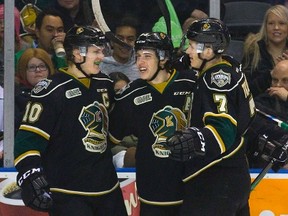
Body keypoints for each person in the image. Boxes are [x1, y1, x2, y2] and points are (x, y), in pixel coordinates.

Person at [14, 26, 127, 216]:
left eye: (102, 50)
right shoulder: (51, 91)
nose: (101, 56)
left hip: (108, 189)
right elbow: (27, 140)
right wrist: (30, 174)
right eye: (95, 51)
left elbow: (113, 131)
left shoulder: (105, 85)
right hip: (67, 193)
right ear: (77, 54)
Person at [165, 18, 254, 215]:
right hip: (234, 175)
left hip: (215, 180)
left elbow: (224, 129)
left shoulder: (216, 79)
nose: (188, 51)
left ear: (208, 50)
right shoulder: (230, 67)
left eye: (192, 45)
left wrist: (197, 140)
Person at [109, 31, 198, 215]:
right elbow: (110, 137)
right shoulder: (130, 95)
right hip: (152, 190)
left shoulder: (190, 83)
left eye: (147, 57)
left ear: (163, 58)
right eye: (138, 56)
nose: (140, 63)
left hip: (191, 186)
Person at [242, 4, 288, 97]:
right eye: (271, 23)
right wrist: (272, 73)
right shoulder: (253, 51)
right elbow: (246, 91)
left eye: (281, 23)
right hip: (261, 107)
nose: (276, 28)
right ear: (265, 26)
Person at [15, 48, 55, 131]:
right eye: (32, 67)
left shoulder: (59, 93)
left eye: (42, 66)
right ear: (23, 71)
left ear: (49, 69)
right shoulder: (16, 98)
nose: (38, 70)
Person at [100, 16, 140, 81]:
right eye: (120, 39)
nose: (124, 43)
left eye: (130, 39)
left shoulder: (141, 66)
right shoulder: (99, 67)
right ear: (112, 41)